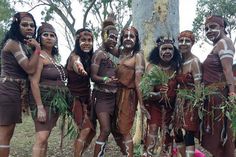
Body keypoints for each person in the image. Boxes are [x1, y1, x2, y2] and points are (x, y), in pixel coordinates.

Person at [0, 12, 40, 157]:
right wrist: (38, 49)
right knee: (4, 136)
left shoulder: (22, 45)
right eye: (24, 25)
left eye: (32, 25)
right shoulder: (13, 43)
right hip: (8, 90)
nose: (29, 28)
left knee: (7, 135)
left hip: (15, 92)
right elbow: (29, 68)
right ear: (16, 26)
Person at [29, 22, 69, 157]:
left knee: (45, 138)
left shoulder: (53, 58)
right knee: (41, 138)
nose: (49, 37)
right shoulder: (39, 56)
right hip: (43, 101)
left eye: (52, 35)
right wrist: (40, 107)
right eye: (45, 35)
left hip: (55, 103)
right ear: (39, 38)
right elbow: (34, 82)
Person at [201, 15, 235, 157]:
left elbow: (228, 69)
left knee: (219, 136)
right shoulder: (218, 44)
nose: (209, 31)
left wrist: (232, 93)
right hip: (213, 97)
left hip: (219, 96)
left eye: (213, 27)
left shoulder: (224, 42)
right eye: (207, 28)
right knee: (215, 135)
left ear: (222, 27)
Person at [142, 36, 181, 157]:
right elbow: (146, 92)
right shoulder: (151, 67)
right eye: (164, 49)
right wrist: (158, 94)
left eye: (170, 49)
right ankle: (148, 154)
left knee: (168, 134)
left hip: (171, 108)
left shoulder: (176, 67)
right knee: (153, 130)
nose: (167, 51)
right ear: (158, 51)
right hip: (155, 107)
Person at [115, 26, 150, 157]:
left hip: (129, 96)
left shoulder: (138, 56)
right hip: (115, 95)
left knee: (124, 129)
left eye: (132, 36)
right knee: (115, 128)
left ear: (136, 39)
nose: (128, 39)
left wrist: (141, 104)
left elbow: (138, 81)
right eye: (125, 36)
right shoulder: (119, 54)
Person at [90, 16, 120, 157]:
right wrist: (105, 79)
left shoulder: (112, 53)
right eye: (111, 37)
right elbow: (93, 76)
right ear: (103, 36)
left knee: (114, 129)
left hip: (114, 97)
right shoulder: (98, 54)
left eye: (116, 37)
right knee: (105, 129)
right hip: (101, 97)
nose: (113, 40)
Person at [66, 28, 95, 157]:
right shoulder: (74, 56)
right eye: (83, 40)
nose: (87, 43)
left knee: (92, 131)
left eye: (89, 40)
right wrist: (80, 69)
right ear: (77, 41)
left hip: (87, 97)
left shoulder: (89, 57)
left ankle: (78, 153)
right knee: (85, 128)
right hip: (75, 98)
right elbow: (77, 63)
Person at [174, 30, 202, 157]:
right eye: (181, 41)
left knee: (189, 133)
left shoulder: (194, 61)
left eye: (187, 41)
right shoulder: (179, 62)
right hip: (179, 102)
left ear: (192, 43)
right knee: (177, 132)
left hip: (191, 102)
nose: (183, 43)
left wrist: (196, 105)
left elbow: (198, 86)